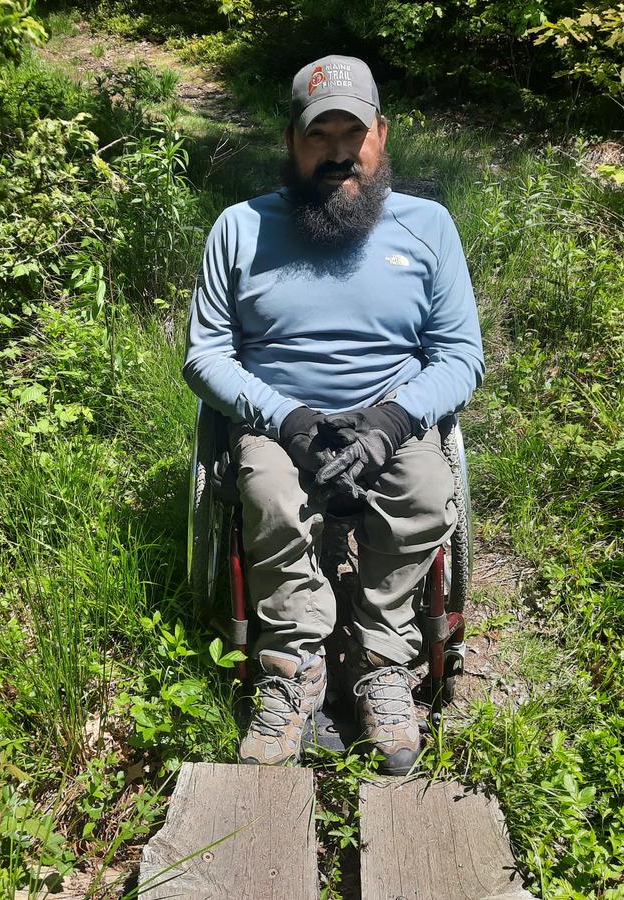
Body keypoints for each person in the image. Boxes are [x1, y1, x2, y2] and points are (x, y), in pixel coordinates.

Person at [183, 54, 484, 774]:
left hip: (390, 414)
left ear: (383, 135)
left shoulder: (428, 228)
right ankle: (292, 674)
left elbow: (460, 355)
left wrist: (389, 425)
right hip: (279, 418)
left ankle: (381, 661)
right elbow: (204, 355)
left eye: (355, 133)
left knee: (422, 491)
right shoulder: (239, 228)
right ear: (292, 141)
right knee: (268, 494)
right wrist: (288, 421)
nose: (339, 152)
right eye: (321, 136)